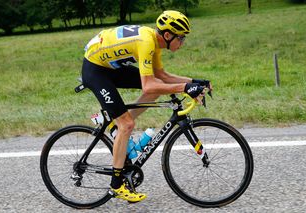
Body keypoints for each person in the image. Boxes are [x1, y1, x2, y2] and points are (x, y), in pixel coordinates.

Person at [81, 10, 212, 203]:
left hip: (109, 66)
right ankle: (116, 186)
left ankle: (119, 127)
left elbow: (163, 77)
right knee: (127, 124)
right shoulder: (147, 42)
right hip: (95, 70)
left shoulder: (154, 43)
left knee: (154, 92)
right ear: (168, 35)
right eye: (181, 38)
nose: (182, 42)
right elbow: (148, 85)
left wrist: (195, 82)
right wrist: (185, 87)